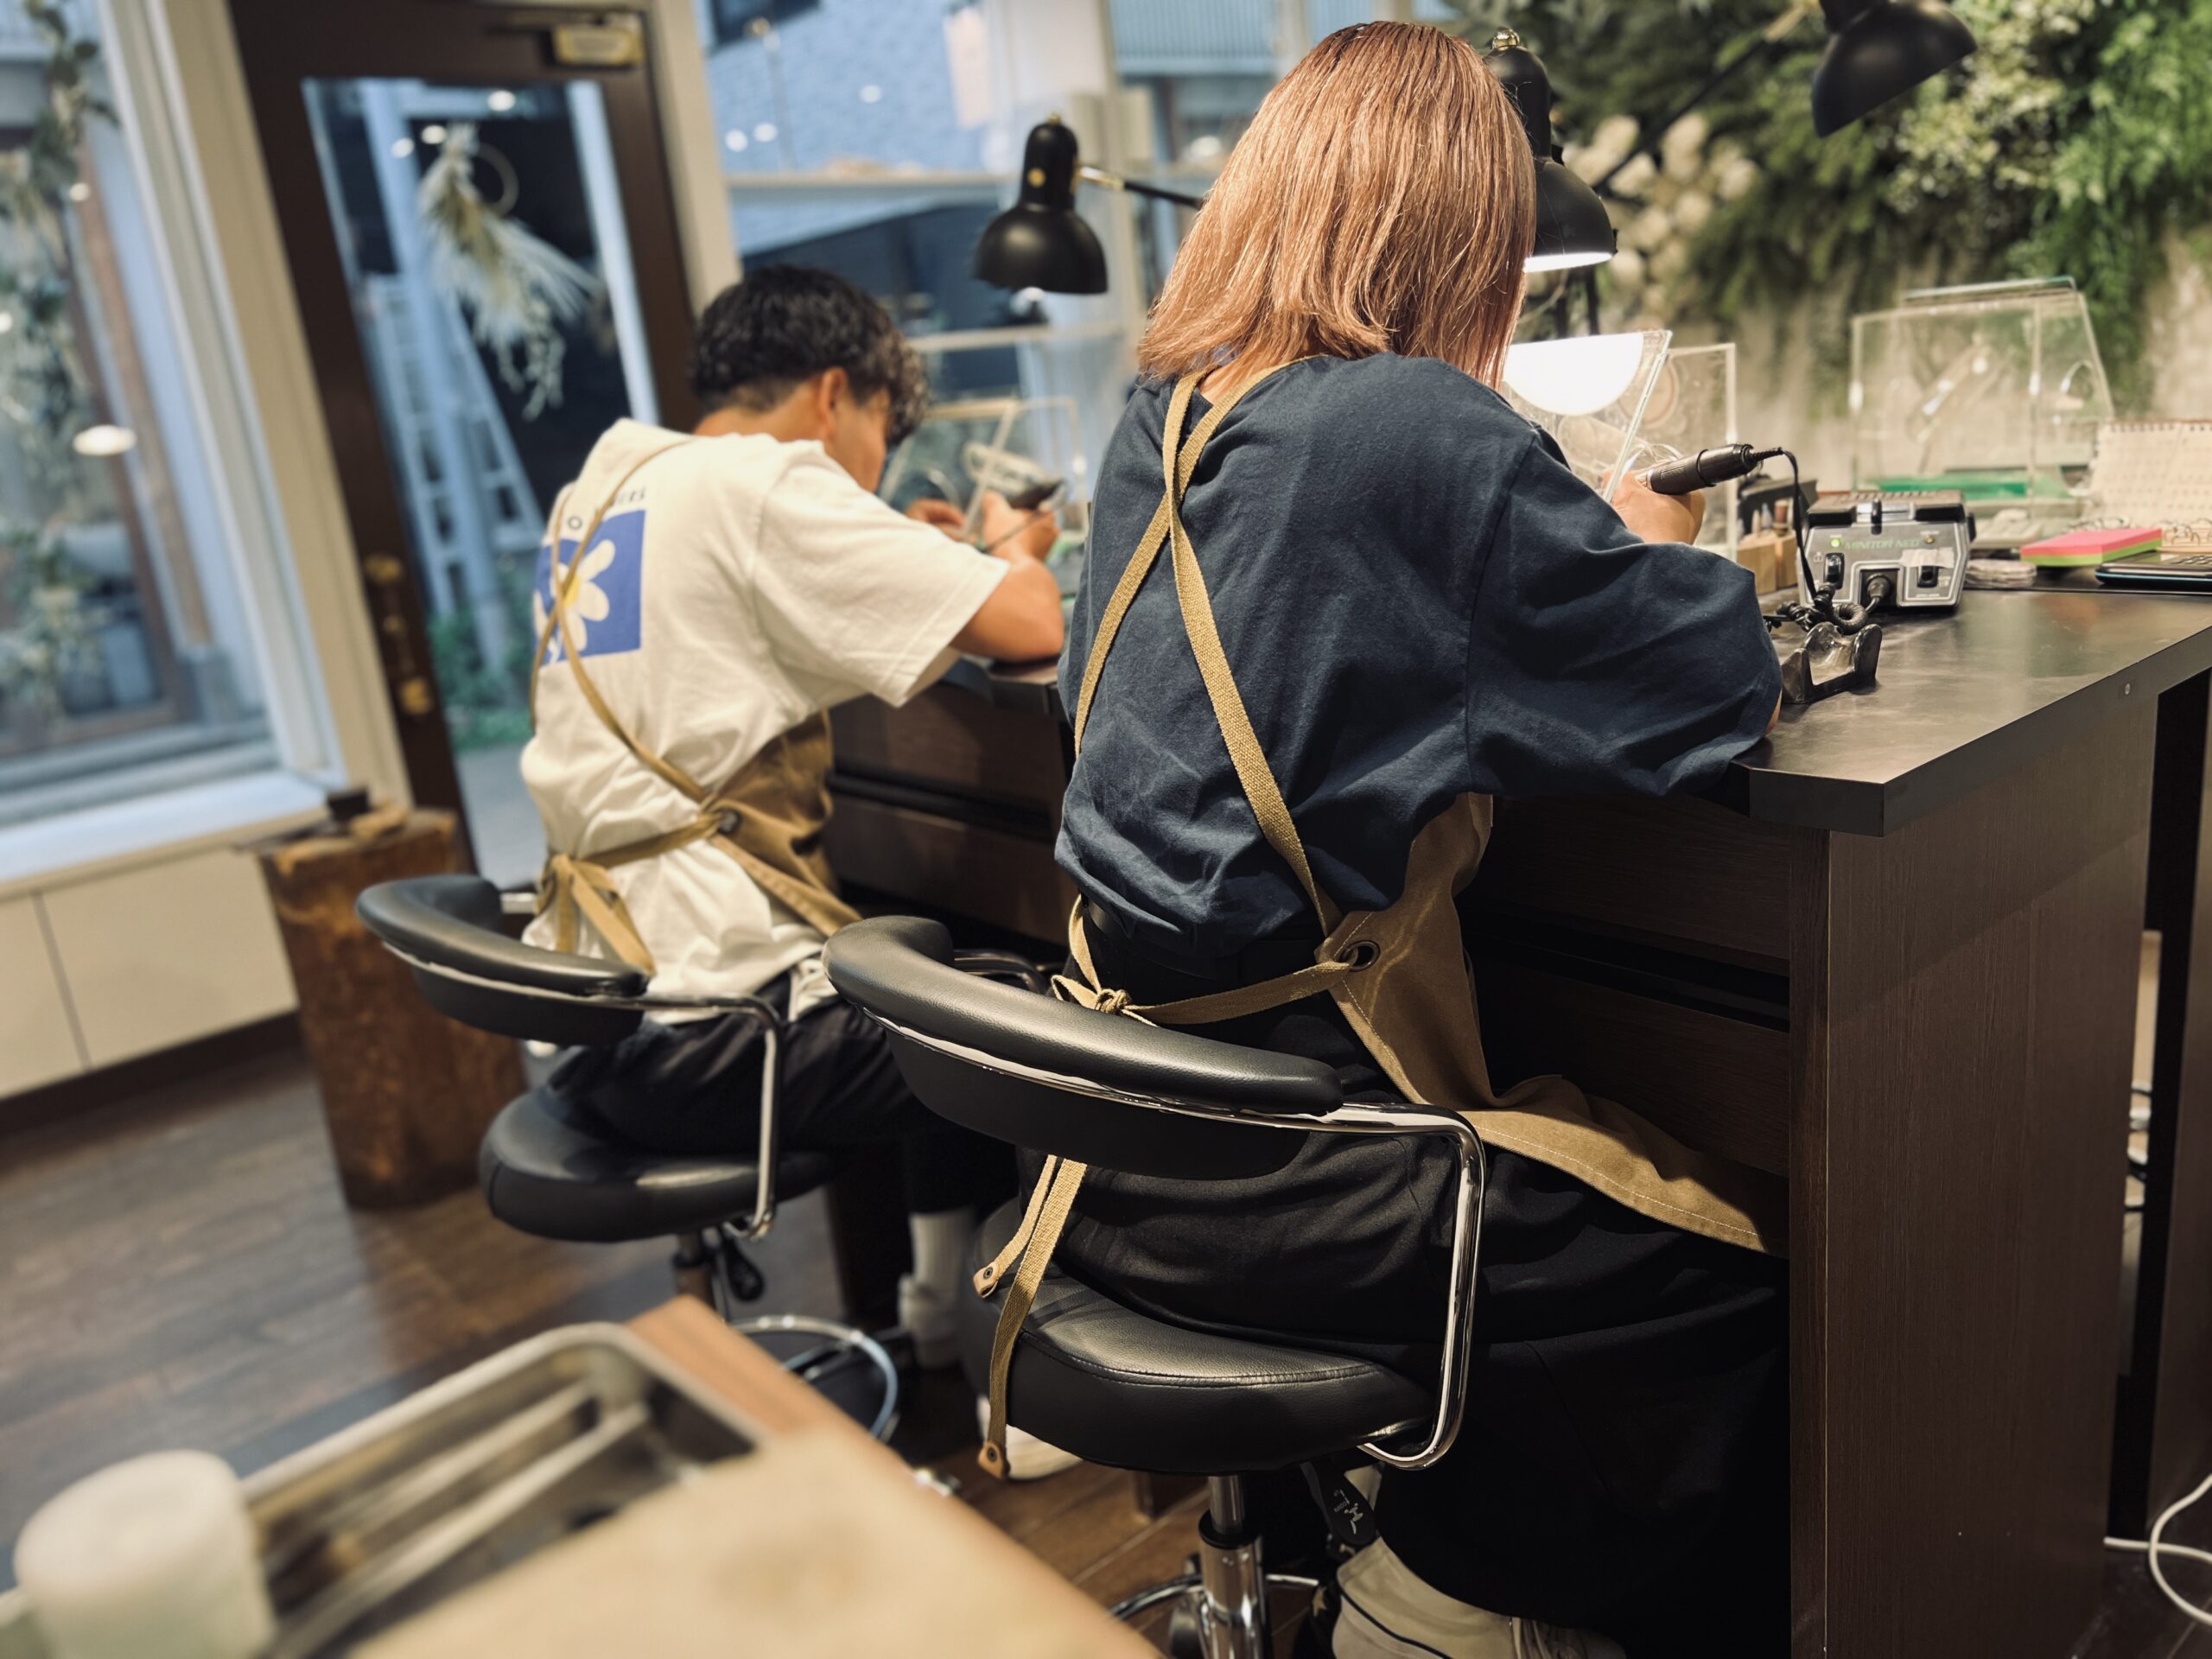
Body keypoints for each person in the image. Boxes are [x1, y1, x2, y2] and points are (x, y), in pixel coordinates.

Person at [1027, 23, 1788, 1659]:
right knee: (1737, 1265)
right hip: (1294, 1168)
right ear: (1465, 234)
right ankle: (1438, 1598)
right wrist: (1657, 538)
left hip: (1111, 1133)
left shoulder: (1157, 412)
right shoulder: (1422, 430)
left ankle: (1394, 1539)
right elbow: (1716, 679)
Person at [522, 265, 1066, 1406]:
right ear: (833, 395)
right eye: (882, 432)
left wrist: (895, 547)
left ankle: (931, 1308)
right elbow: (1030, 621)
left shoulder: (604, 490)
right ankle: (1025, 1383)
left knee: (925, 953)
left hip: (593, 1012)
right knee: (1024, 1013)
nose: (874, 466)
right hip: (711, 1033)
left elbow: (719, 629)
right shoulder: (764, 486)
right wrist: (1013, 549)